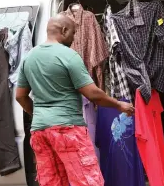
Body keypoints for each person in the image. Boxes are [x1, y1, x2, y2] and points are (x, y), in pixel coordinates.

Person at [16, 14, 135, 186]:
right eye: (73, 33)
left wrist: (40, 115)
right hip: (67, 129)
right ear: (63, 30)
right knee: (87, 181)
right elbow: (92, 94)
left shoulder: (29, 57)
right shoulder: (68, 55)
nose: (74, 38)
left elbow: (20, 96)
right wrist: (119, 104)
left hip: (40, 131)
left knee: (52, 182)